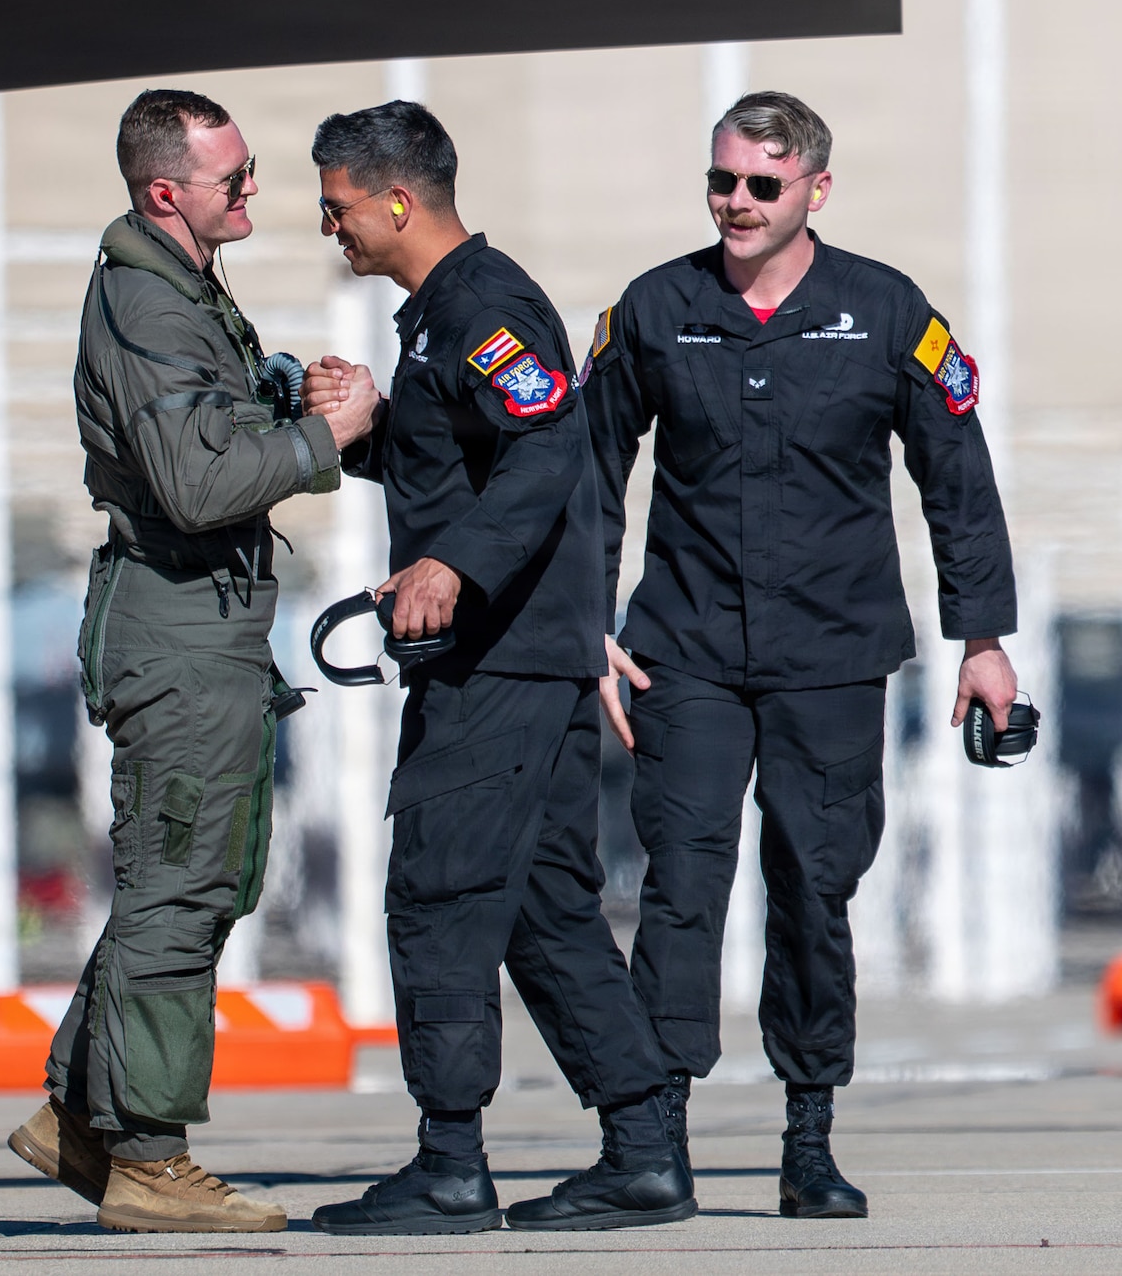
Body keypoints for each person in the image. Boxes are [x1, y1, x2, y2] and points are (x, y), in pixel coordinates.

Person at [584, 91, 1020, 1219]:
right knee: (680, 883)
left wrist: (984, 641)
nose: (736, 202)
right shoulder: (654, 308)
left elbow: (955, 479)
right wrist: (581, 625)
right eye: (721, 182)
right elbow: (589, 473)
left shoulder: (880, 311)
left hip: (830, 655)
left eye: (760, 185)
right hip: (681, 649)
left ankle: (808, 1133)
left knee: (812, 885)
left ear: (813, 189)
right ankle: (652, 1139)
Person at [299, 100, 692, 1235]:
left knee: (436, 892)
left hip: (499, 671)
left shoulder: (485, 303)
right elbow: (464, 466)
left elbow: (546, 443)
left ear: (395, 200)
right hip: (523, 662)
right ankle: (642, 1150)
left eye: (337, 208)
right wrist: (371, 433)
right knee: (544, 911)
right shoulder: (436, 321)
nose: (332, 228)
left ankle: (449, 1163)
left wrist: (452, 570)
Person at [6, 88, 378, 1234]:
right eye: (234, 178)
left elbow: (208, 434)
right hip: (175, 622)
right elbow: (197, 484)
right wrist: (330, 437)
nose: (255, 190)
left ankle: (77, 1113)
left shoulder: (180, 291)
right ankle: (150, 1161)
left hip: (198, 620)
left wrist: (282, 399)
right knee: (180, 883)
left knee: (199, 875)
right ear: (166, 191)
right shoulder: (150, 304)